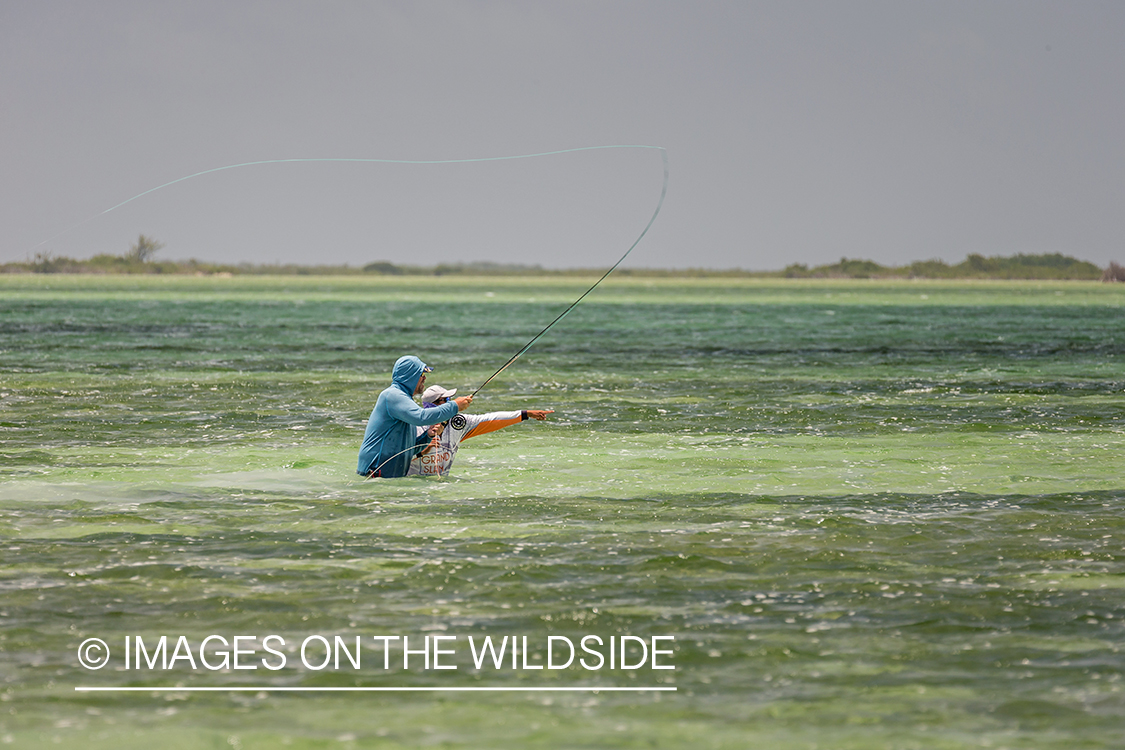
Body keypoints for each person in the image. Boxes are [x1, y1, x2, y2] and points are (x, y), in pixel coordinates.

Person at [357, 356, 473, 478]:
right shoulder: (392, 395)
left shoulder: (404, 400)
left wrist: (427, 436)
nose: (425, 378)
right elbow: (421, 417)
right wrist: (454, 406)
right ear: (410, 376)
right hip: (375, 471)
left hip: (388, 475)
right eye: (422, 374)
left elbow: (409, 449)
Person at [407, 384, 553, 477]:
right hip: (412, 486)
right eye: (446, 400)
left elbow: (490, 419)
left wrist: (525, 414)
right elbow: (394, 457)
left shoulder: (458, 423)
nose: (451, 403)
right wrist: (423, 450)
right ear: (435, 404)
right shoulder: (414, 425)